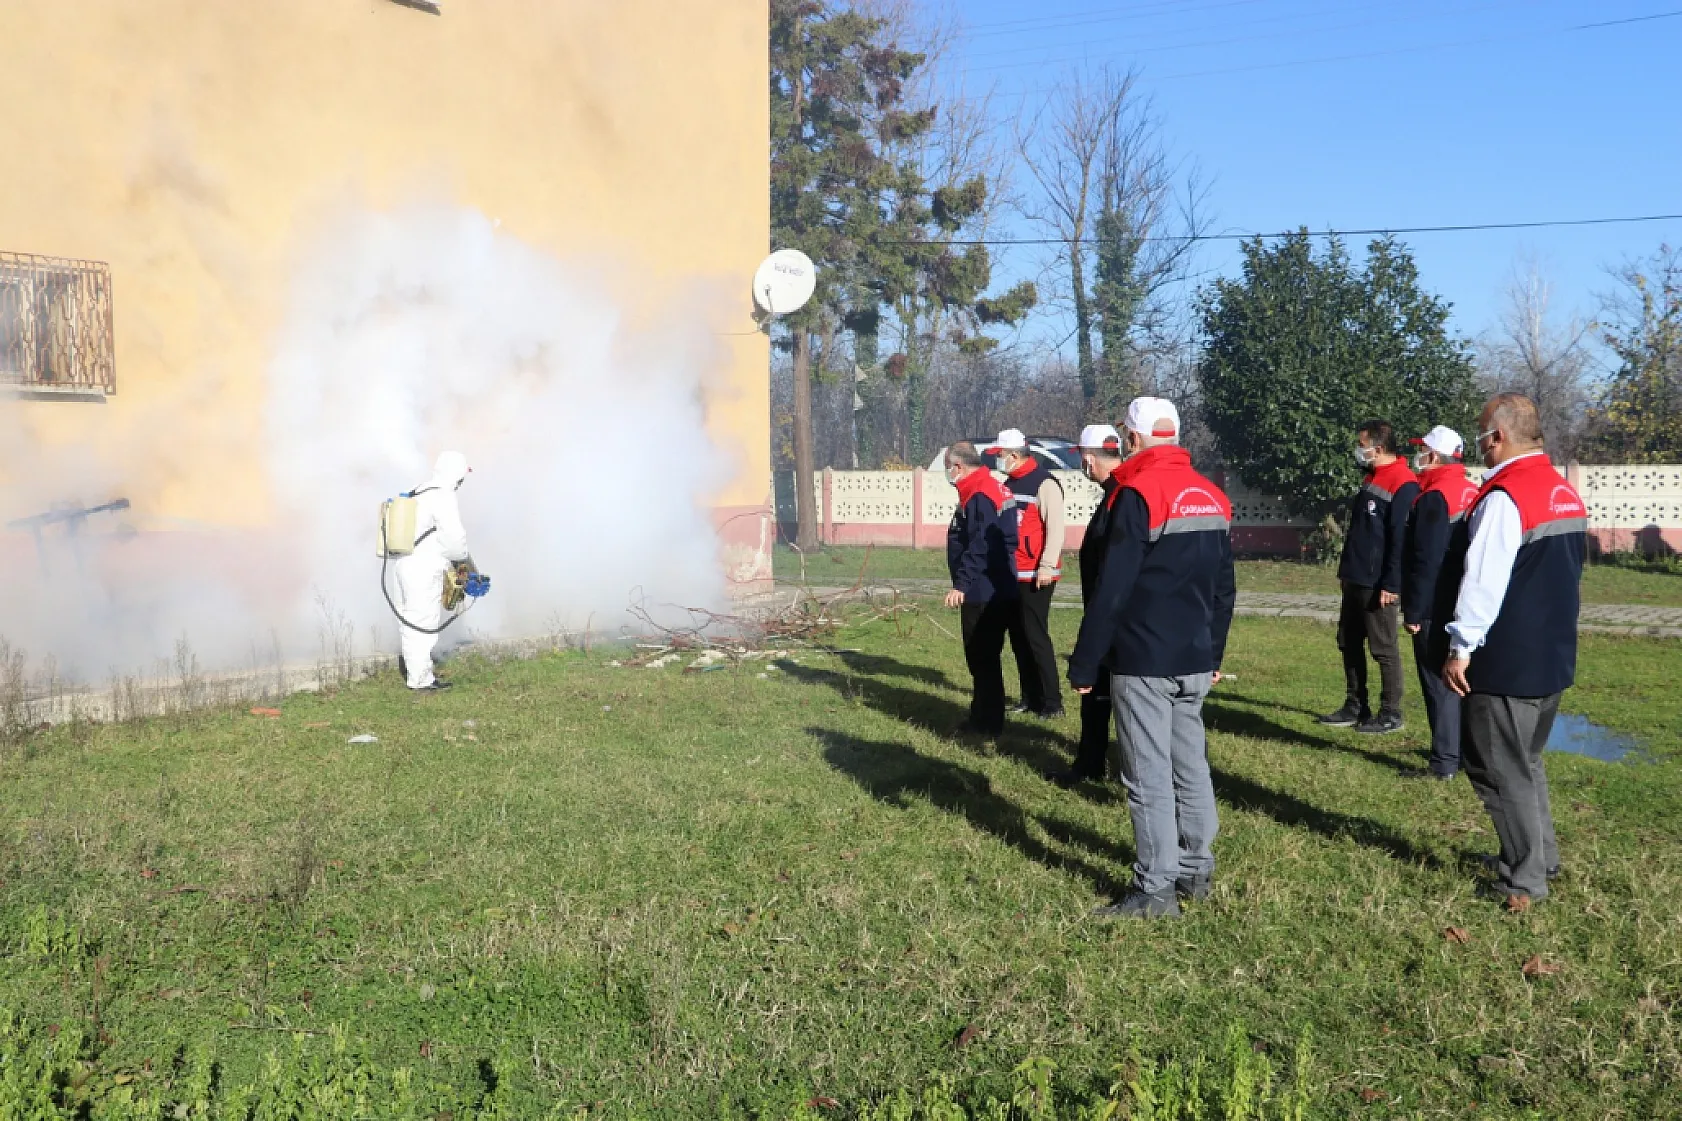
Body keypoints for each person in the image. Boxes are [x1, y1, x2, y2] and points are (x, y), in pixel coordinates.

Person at [1067, 398, 1236, 919]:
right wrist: (1213, 652)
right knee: (1191, 766)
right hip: (1194, 657)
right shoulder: (1211, 496)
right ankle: (1195, 870)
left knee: (1148, 777)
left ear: (1133, 438)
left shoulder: (1135, 494)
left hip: (1143, 659)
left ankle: (1155, 889)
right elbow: (1224, 589)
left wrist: (1086, 661)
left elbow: (1111, 591)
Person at [1438, 393, 1585, 909]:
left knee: (1497, 768)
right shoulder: (1563, 491)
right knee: (1527, 762)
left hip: (1507, 659)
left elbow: (1483, 580)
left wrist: (1460, 646)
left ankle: (1524, 878)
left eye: (1481, 433)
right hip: (1552, 653)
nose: (1480, 443)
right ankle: (1542, 858)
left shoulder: (1505, 496)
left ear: (1497, 437)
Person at [1319, 419, 1419, 735]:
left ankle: (1391, 712)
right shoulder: (1371, 477)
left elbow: (1399, 539)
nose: (1358, 450)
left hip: (1377, 583)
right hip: (1355, 576)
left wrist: (1391, 583)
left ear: (1378, 448)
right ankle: (1355, 705)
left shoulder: (1403, 482)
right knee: (1348, 641)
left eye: (1361, 444)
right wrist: (1346, 571)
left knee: (1383, 648)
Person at [1045, 423, 1124, 788]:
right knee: (1095, 696)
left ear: (1089, 459)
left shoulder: (1122, 497)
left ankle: (1116, 769)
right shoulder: (1112, 494)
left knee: (1108, 695)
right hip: (1104, 612)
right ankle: (1090, 763)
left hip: (1113, 616)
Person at [1401, 425, 1481, 780]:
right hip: (1468, 600)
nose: (1417, 457)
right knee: (1465, 681)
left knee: (1438, 682)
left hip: (1436, 604)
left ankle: (1444, 762)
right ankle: (1465, 752)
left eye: (1422, 450)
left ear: (1433, 455)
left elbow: (1426, 559)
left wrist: (1414, 611)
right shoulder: (1473, 491)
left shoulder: (1434, 496)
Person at [988, 428, 1068, 720]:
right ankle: (1030, 697)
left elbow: (1055, 529)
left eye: (1000, 455)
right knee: (1018, 638)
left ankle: (1053, 702)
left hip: (1037, 573)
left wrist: (1046, 566)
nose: (997, 460)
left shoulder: (1045, 483)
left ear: (1014, 455)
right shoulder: (1009, 483)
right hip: (1013, 573)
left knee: (1036, 637)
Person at [944, 441, 1019, 737]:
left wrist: (962, 584)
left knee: (981, 656)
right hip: (993, 585)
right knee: (984, 656)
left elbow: (981, 545)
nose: (948, 473)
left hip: (983, 589)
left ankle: (987, 723)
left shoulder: (979, 494)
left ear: (958, 466)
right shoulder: (989, 486)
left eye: (948, 467)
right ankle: (983, 715)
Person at [394, 450, 473, 693]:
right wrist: (464, 564)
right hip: (423, 567)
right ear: (457, 475)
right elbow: (454, 540)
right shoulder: (443, 495)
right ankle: (421, 681)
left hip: (402, 564)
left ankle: (416, 673)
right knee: (423, 625)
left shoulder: (417, 491)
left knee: (409, 623)